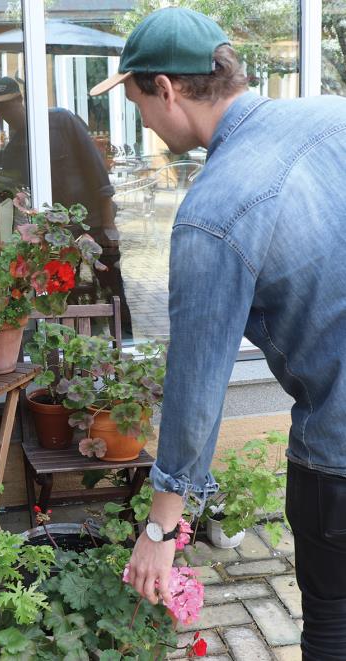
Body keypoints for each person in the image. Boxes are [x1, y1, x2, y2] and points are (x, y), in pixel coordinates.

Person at [90, 7, 346, 659]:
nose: (143, 123)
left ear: (168, 91)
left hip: (339, 457)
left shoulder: (213, 212)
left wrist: (159, 529)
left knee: (334, 630)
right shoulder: (333, 116)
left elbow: (196, 386)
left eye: (138, 101)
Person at [0, 76, 132, 333]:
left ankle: (125, 342)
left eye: (7, 104)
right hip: (55, 236)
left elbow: (97, 171)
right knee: (64, 295)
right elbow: (13, 198)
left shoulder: (61, 122)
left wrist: (109, 226)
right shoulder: (13, 150)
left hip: (95, 223)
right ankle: (76, 348)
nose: (3, 113)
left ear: (20, 99)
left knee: (113, 291)